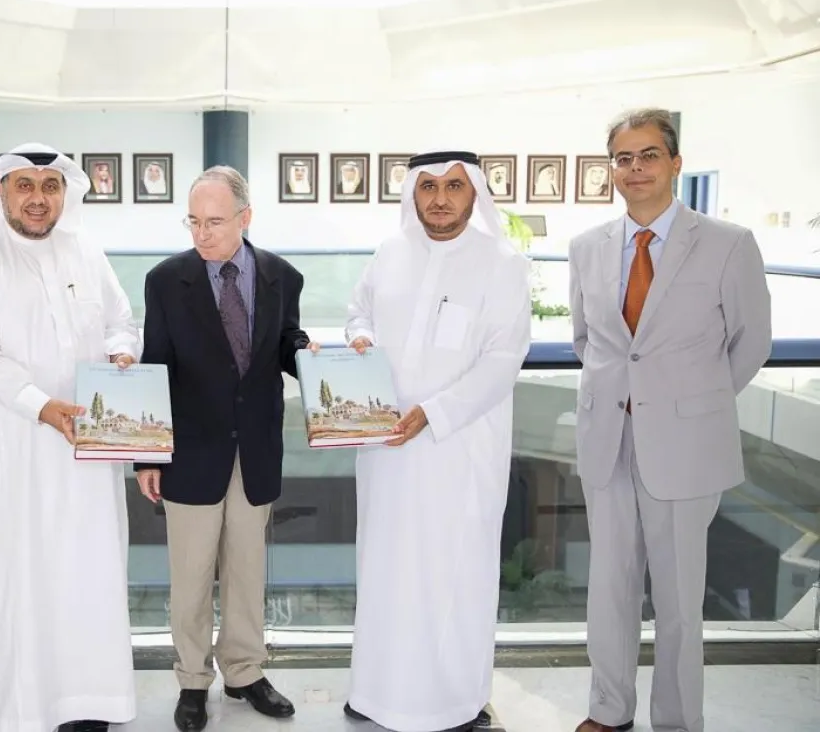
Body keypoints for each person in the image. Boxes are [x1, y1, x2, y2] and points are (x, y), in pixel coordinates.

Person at [0, 143, 139, 732]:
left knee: (85, 571)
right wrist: (41, 407)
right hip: (8, 447)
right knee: (14, 576)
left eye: (50, 186)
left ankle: (89, 701)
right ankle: (14, 709)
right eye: (25, 185)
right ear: (1, 192)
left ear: (65, 193)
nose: (38, 199)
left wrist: (122, 352)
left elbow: (120, 319)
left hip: (85, 450)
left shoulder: (84, 250)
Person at [568, 109, 772, 732]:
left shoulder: (729, 243)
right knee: (609, 589)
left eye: (649, 155)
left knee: (680, 598)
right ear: (612, 169)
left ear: (675, 163)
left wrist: (690, 403)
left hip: (686, 445)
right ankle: (609, 710)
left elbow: (752, 342)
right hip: (608, 439)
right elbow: (586, 340)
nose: (636, 168)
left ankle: (679, 720)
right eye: (624, 158)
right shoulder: (585, 248)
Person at [342, 151, 532, 732]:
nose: (440, 198)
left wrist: (434, 412)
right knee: (385, 571)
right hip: (386, 452)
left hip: (458, 452)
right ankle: (376, 692)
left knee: (453, 575)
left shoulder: (502, 264)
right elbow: (358, 312)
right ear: (413, 194)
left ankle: (451, 703)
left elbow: (503, 361)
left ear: (474, 193)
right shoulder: (390, 252)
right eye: (428, 187)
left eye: (453, 186)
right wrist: (361, 337)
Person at [137, 165, 311, 732]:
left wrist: (312, 356)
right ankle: (192, 680)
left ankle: (244, 673)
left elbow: (284, 344)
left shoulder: (283, 276)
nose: (201, 233)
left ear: (245, 217)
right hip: (190, 451)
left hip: (255, 448)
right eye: (193, 221)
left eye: (214, 221)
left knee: (246, 571)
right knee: (190, 576)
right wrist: (148, 455)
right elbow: (155, 367)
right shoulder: (165, 281)